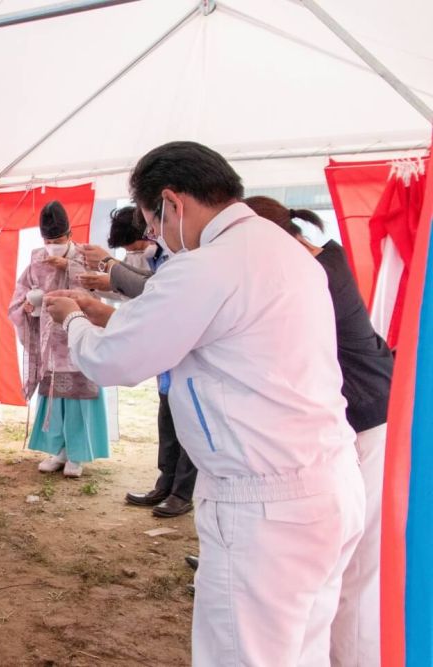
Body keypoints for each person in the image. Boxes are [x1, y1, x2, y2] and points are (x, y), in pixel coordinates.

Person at [44, 141, 365, 666]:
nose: (157, 237)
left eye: (152, 224)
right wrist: (103, 313)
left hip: (264, 500)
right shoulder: (280, 248)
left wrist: (75, 321)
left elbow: (116, 362)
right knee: (302, 651)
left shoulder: (210, 264)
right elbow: (191, 330)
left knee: (243, 655)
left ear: (172, 202)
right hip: (326, 483)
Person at [246, 195, 393, 667]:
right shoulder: (318, 259)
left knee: (352, 580)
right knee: (342, 576)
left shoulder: (315, 274)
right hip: (362, 422)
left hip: (368, 425)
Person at [79, 207, 196, 518]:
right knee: (167, 420)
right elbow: (140, 289)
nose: (143, 249)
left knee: (187, 424)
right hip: (168, 363)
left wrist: (109, 265)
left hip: (185, 358)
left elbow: (150, 288)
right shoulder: (158, 256)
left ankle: (182, 493)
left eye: (138, 246)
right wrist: (109, 281)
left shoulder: (186, 256)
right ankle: (165, 483)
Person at [8, 201, 109, 478]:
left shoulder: (86, 255)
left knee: (79, 397)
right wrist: (27, 306)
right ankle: (58, 450)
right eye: (48, 240)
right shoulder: (36, 258)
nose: (52, 245)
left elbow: (101, 286)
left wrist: (70, 265)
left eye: (58, 239)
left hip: (80, 334)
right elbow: (21, 292)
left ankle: (78, 455)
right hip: (50, 338)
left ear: (70, 234)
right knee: (55, 396)